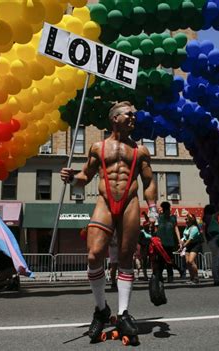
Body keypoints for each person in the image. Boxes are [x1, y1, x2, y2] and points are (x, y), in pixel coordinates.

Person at [60, 101, 156, 343]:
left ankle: (123, 314)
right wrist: (71, 179)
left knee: (125, 258)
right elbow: (85, 176)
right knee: (94, 255)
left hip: (129, 202)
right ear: (114, 118)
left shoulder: (141, 150)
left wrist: (153, 209)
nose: (133, 118)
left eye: (134, 115)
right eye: (129, 115)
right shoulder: (97, 147)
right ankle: (101, 309)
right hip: (104, 201)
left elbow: (149, 181)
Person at [156, 201, 184, 283]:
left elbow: (176, 228)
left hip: (169, 242)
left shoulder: (172, 218)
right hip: (161, 242)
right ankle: (162, 276)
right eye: (167, 209)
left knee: (169, 259)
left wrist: (179, 239)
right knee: (162, 260)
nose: (169, 210)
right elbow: (156, 229)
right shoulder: (159, 217)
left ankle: (170, 276)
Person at [203, 202, 219, 286]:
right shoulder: (210, 217)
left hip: (216, 240)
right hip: (214, 240)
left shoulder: (210, 219)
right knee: (216, 260)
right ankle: (217, 280)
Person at [179, 213, 203, 285]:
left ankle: (196, 278)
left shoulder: (195, 228)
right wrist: (181, 243)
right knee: (187, 263)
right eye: (185, 219)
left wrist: (182, 247)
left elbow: (190, 239)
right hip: (188, 245)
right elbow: (184, 237)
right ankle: (191, 278)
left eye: (187, 218)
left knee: (191, 261)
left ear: (191, 220)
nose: (185, 220)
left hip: (195, 245)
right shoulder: (187, 227)